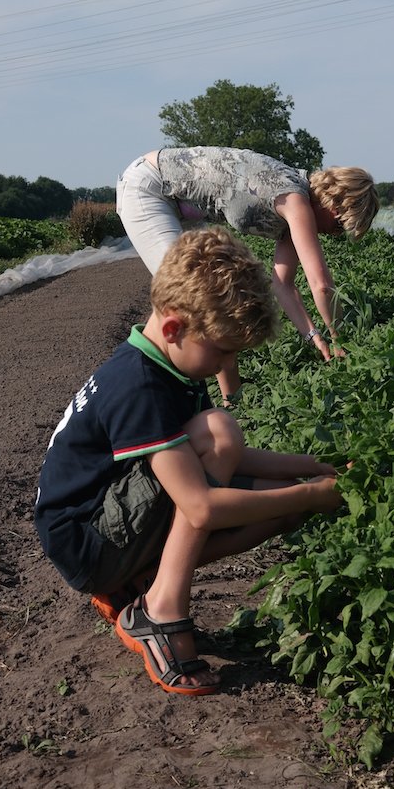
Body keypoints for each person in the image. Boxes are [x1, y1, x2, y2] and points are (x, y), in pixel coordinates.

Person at [34, 227, 343, 696]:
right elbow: (199, 507)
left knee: (287, 507)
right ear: (176, 327)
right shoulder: (138, 384)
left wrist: (314, 468)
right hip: (89, 541)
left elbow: (234, 459)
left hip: (114, 525)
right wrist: (314, 492)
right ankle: (160, 610)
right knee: (220, 431)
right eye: (222, 351)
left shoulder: (169, 361)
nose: (225, 364)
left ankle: (141, 580)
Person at [116, 146, 379, 403]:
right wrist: (340, 338)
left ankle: (234, 403)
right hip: (152, 186)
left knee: (210, 300)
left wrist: (314, 336)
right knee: (193, 298)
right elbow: (320, 284)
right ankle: (152, 394)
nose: (332, 234)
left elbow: (283, 285)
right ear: (335, 206)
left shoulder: (293, 208)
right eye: (337, 227)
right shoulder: (294, 199)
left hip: (179, 200)